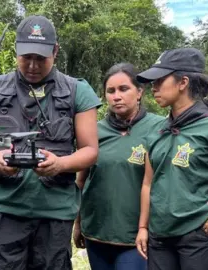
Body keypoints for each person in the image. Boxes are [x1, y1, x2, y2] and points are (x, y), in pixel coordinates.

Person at [0, 15, 100, 270]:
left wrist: (60, 164)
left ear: (55, 51)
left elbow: (91, 150)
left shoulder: (78, 91)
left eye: (41, 58)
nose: (32, 65)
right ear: (16, 50)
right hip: (7, 211)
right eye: (26, 56)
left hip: (55, 214)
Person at [135, 47, 208, 270]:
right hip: (160, 237)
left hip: (200, 236)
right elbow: (148, 182)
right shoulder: (157, 130)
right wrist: (143, 228)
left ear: (183, 82)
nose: (153, 88)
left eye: (159, 81)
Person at [73, 63, 165, 270]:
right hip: (96, 232)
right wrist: (78, 224)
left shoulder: (159, 128)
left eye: (124, 89)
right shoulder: (94, 131)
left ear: (139, 92)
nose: (116, 96)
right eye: (110, 91)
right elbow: (81, 181)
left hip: (137, 236)